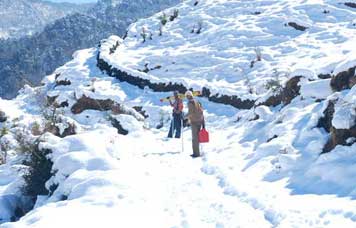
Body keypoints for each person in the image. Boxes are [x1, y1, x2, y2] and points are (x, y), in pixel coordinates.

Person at [184, 90, 204, 157]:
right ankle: (198, 152)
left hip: (194, 122)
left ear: (188, 96)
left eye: (186, 96)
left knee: (195, 138)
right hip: (200, 121)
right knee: (198, 137)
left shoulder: (190, 103)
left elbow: (191, 113)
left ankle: (196, 154)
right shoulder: (197, 101)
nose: (186, 97)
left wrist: (185, 117)